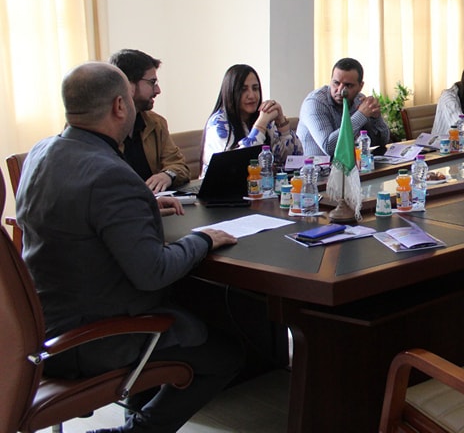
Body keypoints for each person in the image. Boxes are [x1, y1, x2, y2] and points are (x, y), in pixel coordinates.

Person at [16, 62, 243, 433]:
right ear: (120, 106)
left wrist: (140, 205)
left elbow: (75, 213)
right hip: (92, 337)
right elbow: (154, 272)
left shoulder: (40, 153)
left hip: (41, 326)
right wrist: (203, 239)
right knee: (225, 355)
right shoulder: (109, 175)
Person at [109, 49, 190, 192]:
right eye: (152, 82)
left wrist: (167, 175)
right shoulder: (103, 127)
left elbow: (179, 165)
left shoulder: (156, 123)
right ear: (128, 85)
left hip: (155, 202)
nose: (158, 90)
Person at [201, 64, 303, 176]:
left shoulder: (262, 117)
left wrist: (281, 122)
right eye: (243, 90)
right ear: (231, 92)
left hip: (261, 185)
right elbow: (239, 165)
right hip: (221, 185)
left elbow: (295, 161)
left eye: (255, 88)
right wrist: (261, 125)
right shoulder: (218, 124)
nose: (252, 95)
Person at [298, 57, 390, 156]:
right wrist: (361, 115)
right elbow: (329, 148)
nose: (341, 90)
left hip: (350, 164)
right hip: (314, 165)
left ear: (360, 86)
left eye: (348, 85)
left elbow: (381, 142)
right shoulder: (315, 103)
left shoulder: (359, 100)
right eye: (336, 83)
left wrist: (376, 118)